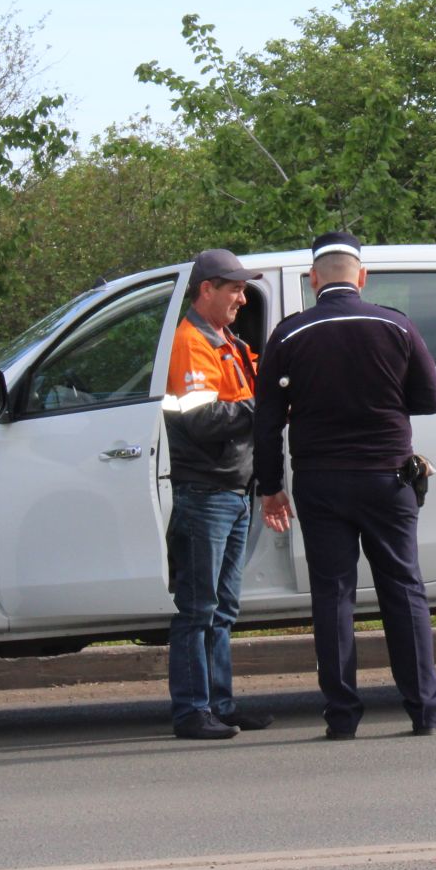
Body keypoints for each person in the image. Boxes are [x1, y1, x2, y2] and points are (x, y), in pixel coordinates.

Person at [255, 230, 436, 739]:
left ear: (313, 278)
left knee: (333, 596)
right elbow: (430, 400)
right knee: (404, 590)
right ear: (361, 277)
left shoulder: (290, 335)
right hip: (388, 478)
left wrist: (270, 486)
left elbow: (267, 420)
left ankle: (342, 716)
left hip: (321, 483)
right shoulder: (396, 326)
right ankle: (424, 712)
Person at [164, 248, 273, 741]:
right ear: (206, 288)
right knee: (199, 608)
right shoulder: (192, 342)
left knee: (222, 608)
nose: (241, 296)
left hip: (231, 490)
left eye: (242, 288)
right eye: (233, 287)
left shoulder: (224, 340)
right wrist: (260, 407)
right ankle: (192, 711)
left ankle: (219, 705)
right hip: (206, 493)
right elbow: (202, 420)